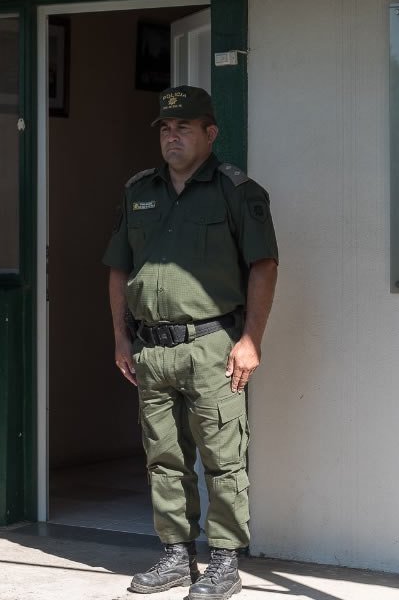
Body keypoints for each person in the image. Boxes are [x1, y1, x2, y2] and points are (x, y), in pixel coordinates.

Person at [103, 85, 278, 600]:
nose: (172, 136)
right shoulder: (139, 190)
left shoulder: (237, 191)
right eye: (165, 128)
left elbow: (264, 267)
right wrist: (120, 337)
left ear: (210, 132)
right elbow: (119, 268)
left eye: (183, 127)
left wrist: (251, 340)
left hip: (213, 345)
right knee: (164, 458)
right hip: (151, 349)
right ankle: (176, 556)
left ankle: (225, 562)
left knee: (223, 458)